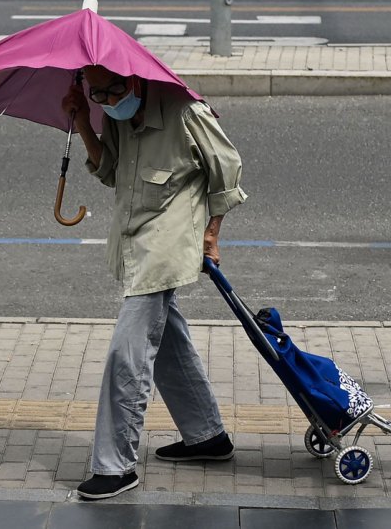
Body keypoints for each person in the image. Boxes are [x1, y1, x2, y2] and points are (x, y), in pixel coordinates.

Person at [61, 65, 247, 500]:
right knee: (167, 341)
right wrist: (84, 122)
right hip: (135, 241)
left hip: (170, 243)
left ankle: (115, 466)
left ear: (135, 79)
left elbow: (228, 170)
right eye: (96, 93)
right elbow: (110, 171)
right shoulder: (114, 113)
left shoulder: (185, 110)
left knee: (128, 353)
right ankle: (207, 436)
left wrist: (211, 235)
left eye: (112, 91)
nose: (106, 100)